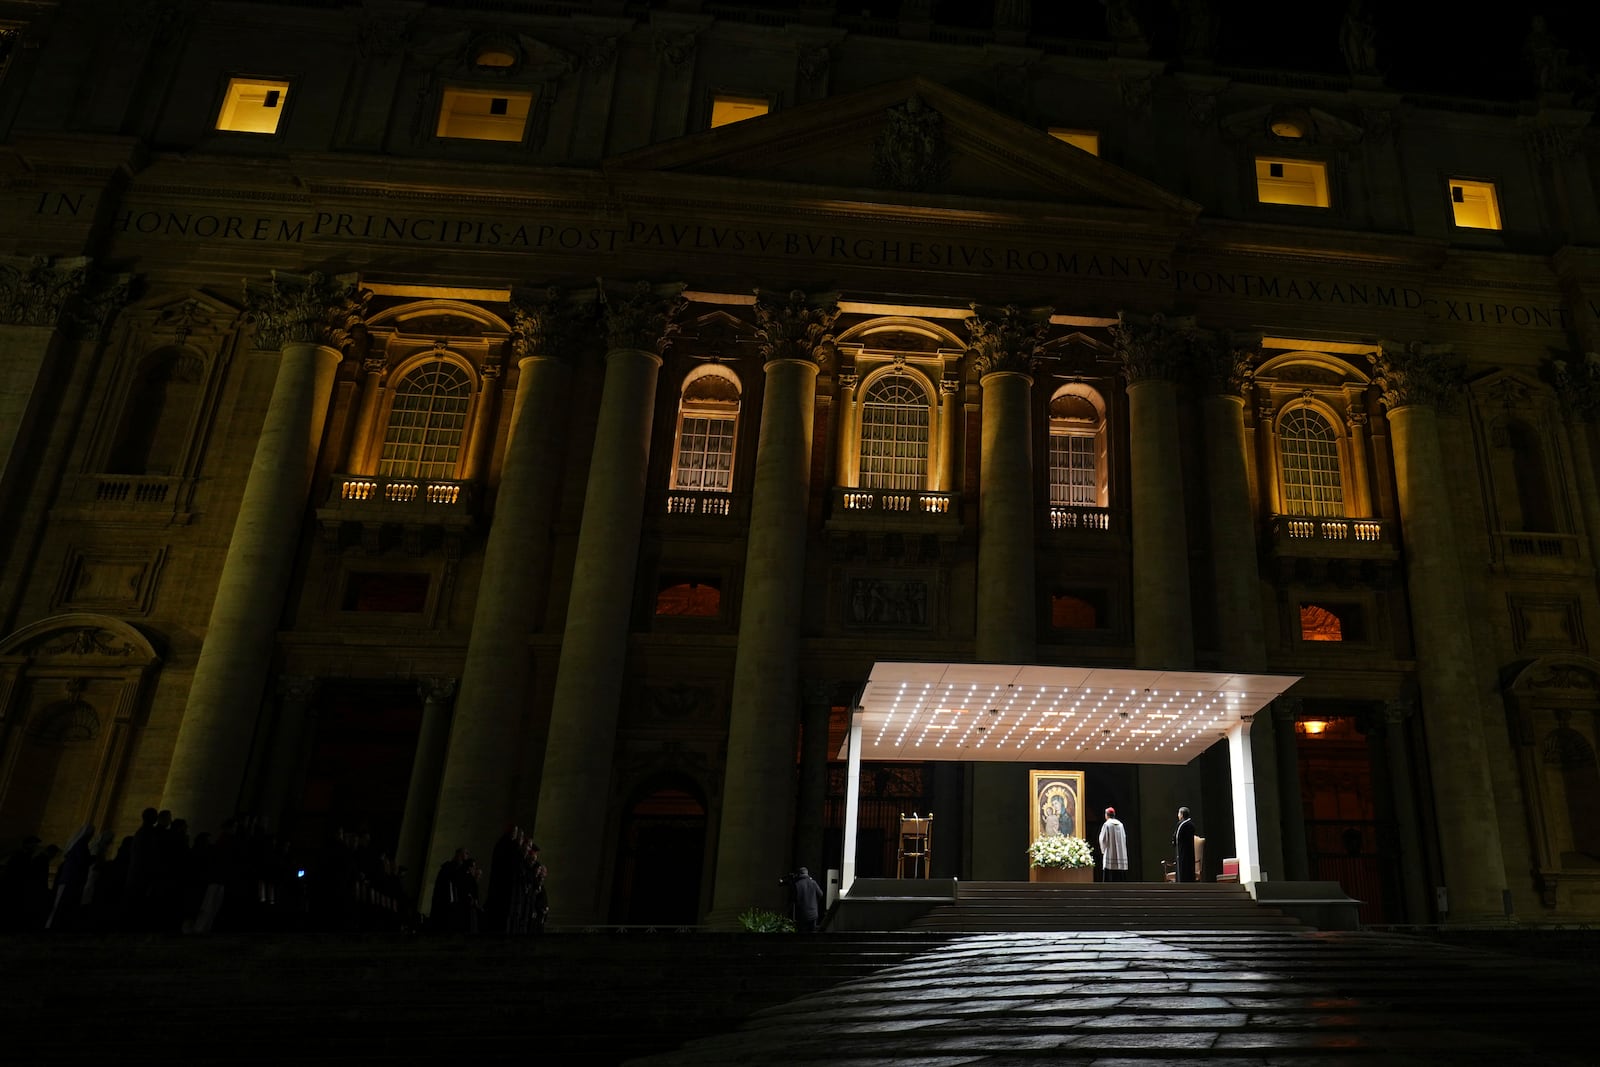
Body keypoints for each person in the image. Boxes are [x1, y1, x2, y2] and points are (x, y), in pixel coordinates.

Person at [787, 866, 824, 933]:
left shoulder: (797, 884)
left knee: (802, 936)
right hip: (813, 914)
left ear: (799, 874)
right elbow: (821, 894)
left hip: (802, 915)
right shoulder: (813, 883)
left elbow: (792, 899)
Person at [1098, 807, 1129, 883]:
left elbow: (1103, 839)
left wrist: (1103, 850)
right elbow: (1124, 838)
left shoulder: (1107, 825)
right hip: (1121, 855)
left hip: (1110, 854)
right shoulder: (1121, 825)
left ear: (1107, 815)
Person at [1172, 806, 1196, 883]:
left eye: (1179, 813)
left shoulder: (1181, 824)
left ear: (1182, 814)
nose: (1178, 815)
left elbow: (1175, 838)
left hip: (1182, 852)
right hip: (1190, 852)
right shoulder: (1191, 824)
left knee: (1183, 871)